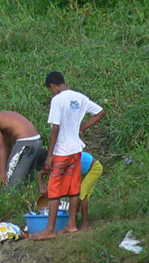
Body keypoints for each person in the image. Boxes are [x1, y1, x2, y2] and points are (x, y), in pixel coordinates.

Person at [30, 72, 105, 241]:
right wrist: (83, 127)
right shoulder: (79, 97)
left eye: (50, 89)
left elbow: (55, 128)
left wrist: (50, 155)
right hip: (76, 150)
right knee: (73, 187)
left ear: (52, 85)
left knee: (54, 189)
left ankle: (49, 229)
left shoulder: (57, 100)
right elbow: (100, 112)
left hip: (62, 151)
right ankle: (71, 224)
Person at [36, 149, 104, 231]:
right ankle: (74, 221)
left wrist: (53, 200)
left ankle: (85, 223)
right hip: (82, 171)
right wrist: (40, 176)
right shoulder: (56, 164)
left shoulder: (61, 162)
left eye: (46, 169)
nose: (47, 172)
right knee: (76, 193)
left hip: (93, 168)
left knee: (81, 194)